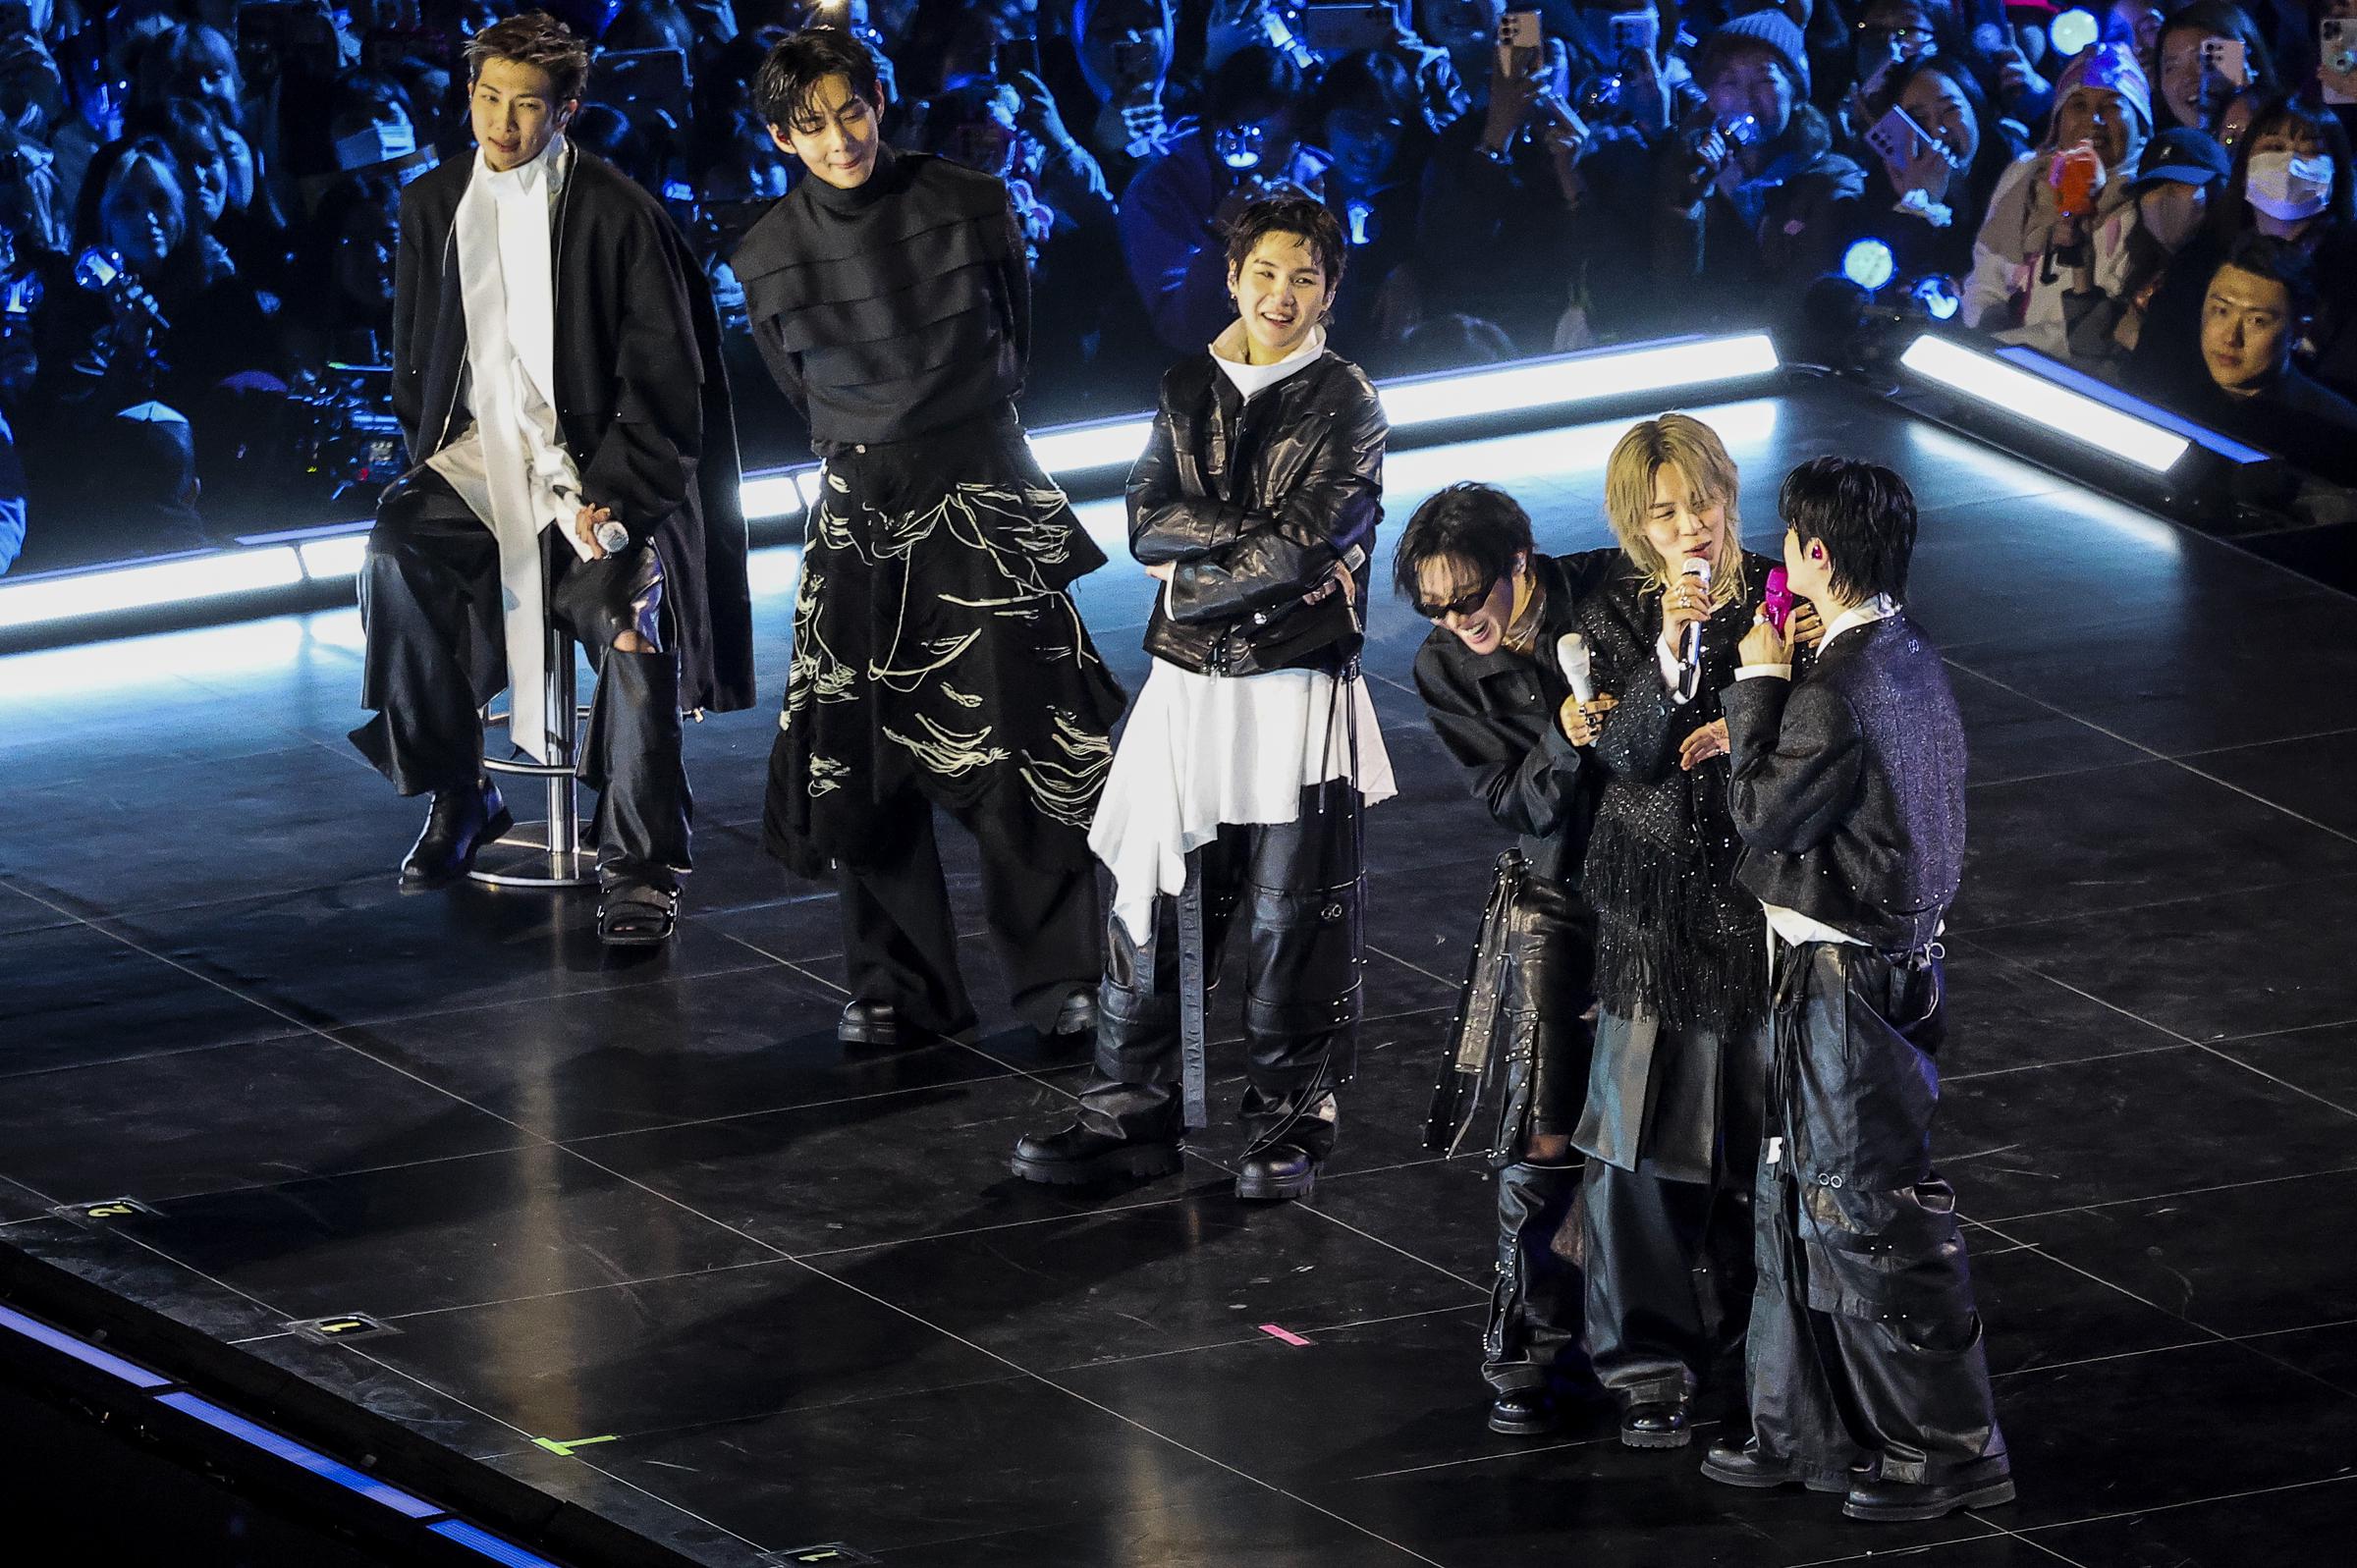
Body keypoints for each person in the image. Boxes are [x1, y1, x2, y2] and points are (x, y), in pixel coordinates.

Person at [734, 27, 1124, 1051]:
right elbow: (801, 390)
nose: (838, 139)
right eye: (810, 125)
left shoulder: (970, 200)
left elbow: (1014, 339)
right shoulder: (767, 254)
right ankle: (896, 985)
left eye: (851, 112)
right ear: (782, 137)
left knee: (1028, 746)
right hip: (861, 510)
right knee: (864, 761)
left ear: (879, 100)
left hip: (982, 488)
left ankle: (1061, 981)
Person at [1012, 193, 1392, 1203]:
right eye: (1266, 271)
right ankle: (1129, 1106)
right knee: (1151, 893)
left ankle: (1291, 1115)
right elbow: (1146, 522)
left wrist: (1192, 576)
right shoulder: (1184, 385)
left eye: (1304, 276)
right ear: (1233, 275)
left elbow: (1310, 538)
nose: (1281, 293)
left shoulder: (1347, 401)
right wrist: (1239, 548)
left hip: (1294, 684)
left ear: (1330, 289)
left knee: (1291, 914)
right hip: (1189, 680)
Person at [351, 10, 754, 944]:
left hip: (606, 469)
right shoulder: (431, 205)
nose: (503, 123)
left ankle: (642, 861)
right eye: (489, 98)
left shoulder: (619, 214)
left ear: (566, 111)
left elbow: (664, 388)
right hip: (480, 459)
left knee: (628, 623)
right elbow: (420, 365)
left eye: (526, 105)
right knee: (393, 554)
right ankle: (461, 789)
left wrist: (610, 493)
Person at [1706, 455, 2011, 1525]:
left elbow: (1759, 811)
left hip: (1846, 975)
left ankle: (1946, 1443)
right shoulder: (1906, 655)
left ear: (1814, 555)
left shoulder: (1836, 691)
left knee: (1864, 1210)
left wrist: (1755, 683)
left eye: (1788, 544)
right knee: (1804, 1194)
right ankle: (1804, 1427)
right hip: (1865, 966)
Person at [1565, 413, 1802, 1450]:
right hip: (1653, 908)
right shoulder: (1614, 609)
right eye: (1662, 512)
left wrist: (1748, 720)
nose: (1688, 528)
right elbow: (1623, 753)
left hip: (1755, 905)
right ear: (1634, 522)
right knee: (1635, 1145)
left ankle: (1773, 1345)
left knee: (1765, 1139)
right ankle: (1649, 1361)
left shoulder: (1783, 596)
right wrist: (1671, 647)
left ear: (1728, 493)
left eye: (1699, 502)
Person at [1399, 481, 1617, 1434]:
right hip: (1557, 891)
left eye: (1468, 596)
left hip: (1663, 885)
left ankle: (1674, 1341)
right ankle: (1527, 1348)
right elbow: (1510, 798)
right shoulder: (1445, 665)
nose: (1457, 620)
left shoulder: (1607, 594)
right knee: (1541, 1125)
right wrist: (1565, 746)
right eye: (1436, 606)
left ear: (1519, 563)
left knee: (1680, 1120)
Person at [2126, 94, 2357, 402]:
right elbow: (2151, 370)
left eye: (2311, 152)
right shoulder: (2199, 261)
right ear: (2246, 162)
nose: (2290, 162)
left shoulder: (2349, 275)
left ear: (2337, 172)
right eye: (2274, 148)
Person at [1653, 11, 1864, 333]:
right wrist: (1687, 205)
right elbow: (1672, 293)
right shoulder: (1690, 170)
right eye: (1729, 82)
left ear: (1794, 93)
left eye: (1765, 80)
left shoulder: (1831, 179)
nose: (1746, 97)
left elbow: (1807, 292)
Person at [1120, 42, 1331, 352]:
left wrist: (1324, 244)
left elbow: (1337, 314)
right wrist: (1221, 238)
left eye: (1283, 140)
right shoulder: (1156, 191)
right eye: (1249, 134)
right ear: (1215, 123)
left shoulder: (1311, 175)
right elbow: (1183, 330)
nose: (1265, 158)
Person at [1963, 41, 2154, 360]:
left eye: (2112, 105)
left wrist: (1997, 348)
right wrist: (1982, 325)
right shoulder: (2022, 177)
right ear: (2058, 120)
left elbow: (2096, 318)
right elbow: (1985, 270)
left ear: (2141, 123)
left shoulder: (2143, 205)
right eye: (2078, 105)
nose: (2094, 119)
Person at [2181, 232, 2357, 482]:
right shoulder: (2168, 393)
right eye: (2221, 310)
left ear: (2298, 330)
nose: (2231, 337)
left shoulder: (2337, 429)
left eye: (2257, 321)